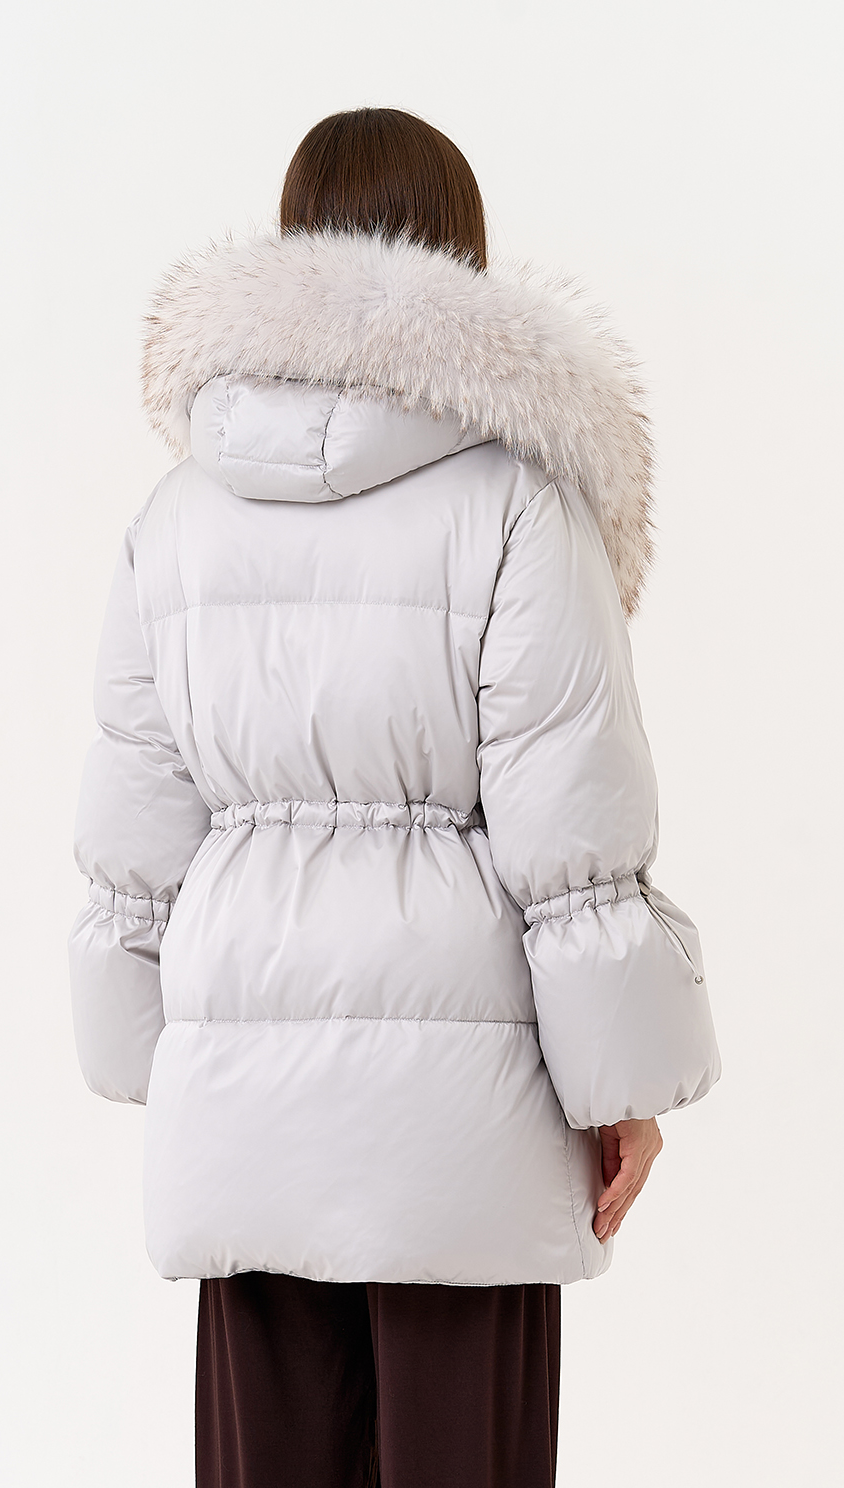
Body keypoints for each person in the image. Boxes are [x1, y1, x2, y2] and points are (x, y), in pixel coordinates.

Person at [68, 107, 721, 1488]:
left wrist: (144, 1046)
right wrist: (623, 1085)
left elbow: (135, 824)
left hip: (243, 1103)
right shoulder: (519, 503)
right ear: (461, 262)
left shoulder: (178, 515)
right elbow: (571, 834)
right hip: (464, 1128)